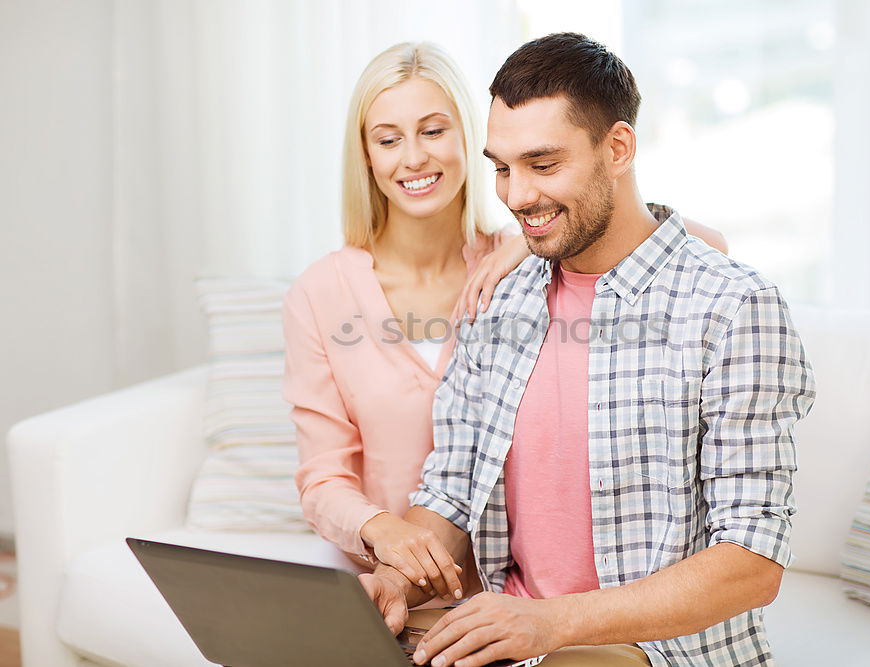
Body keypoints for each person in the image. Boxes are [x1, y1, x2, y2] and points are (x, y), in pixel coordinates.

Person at [361, 33, 816, 667]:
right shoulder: (497, 299)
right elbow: (452, 493)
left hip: (656, 652)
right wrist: (396, 578)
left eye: (543, 165)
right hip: (512, 638)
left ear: (619, 148)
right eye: (501, 167)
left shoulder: (733, 306)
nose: (517, 196)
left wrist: (549, 625)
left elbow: (751, 561)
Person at [282, 41, 729, 604]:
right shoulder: (322, 294)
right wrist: (384, 533)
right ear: (366, 155)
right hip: (402, 577)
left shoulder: (535, 255)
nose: (414, 157)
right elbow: (325, 476)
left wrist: (527, 239)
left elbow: (696, 251)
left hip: (508, 594)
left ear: (473, 140)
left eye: (434, 130)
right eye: (388, 139)